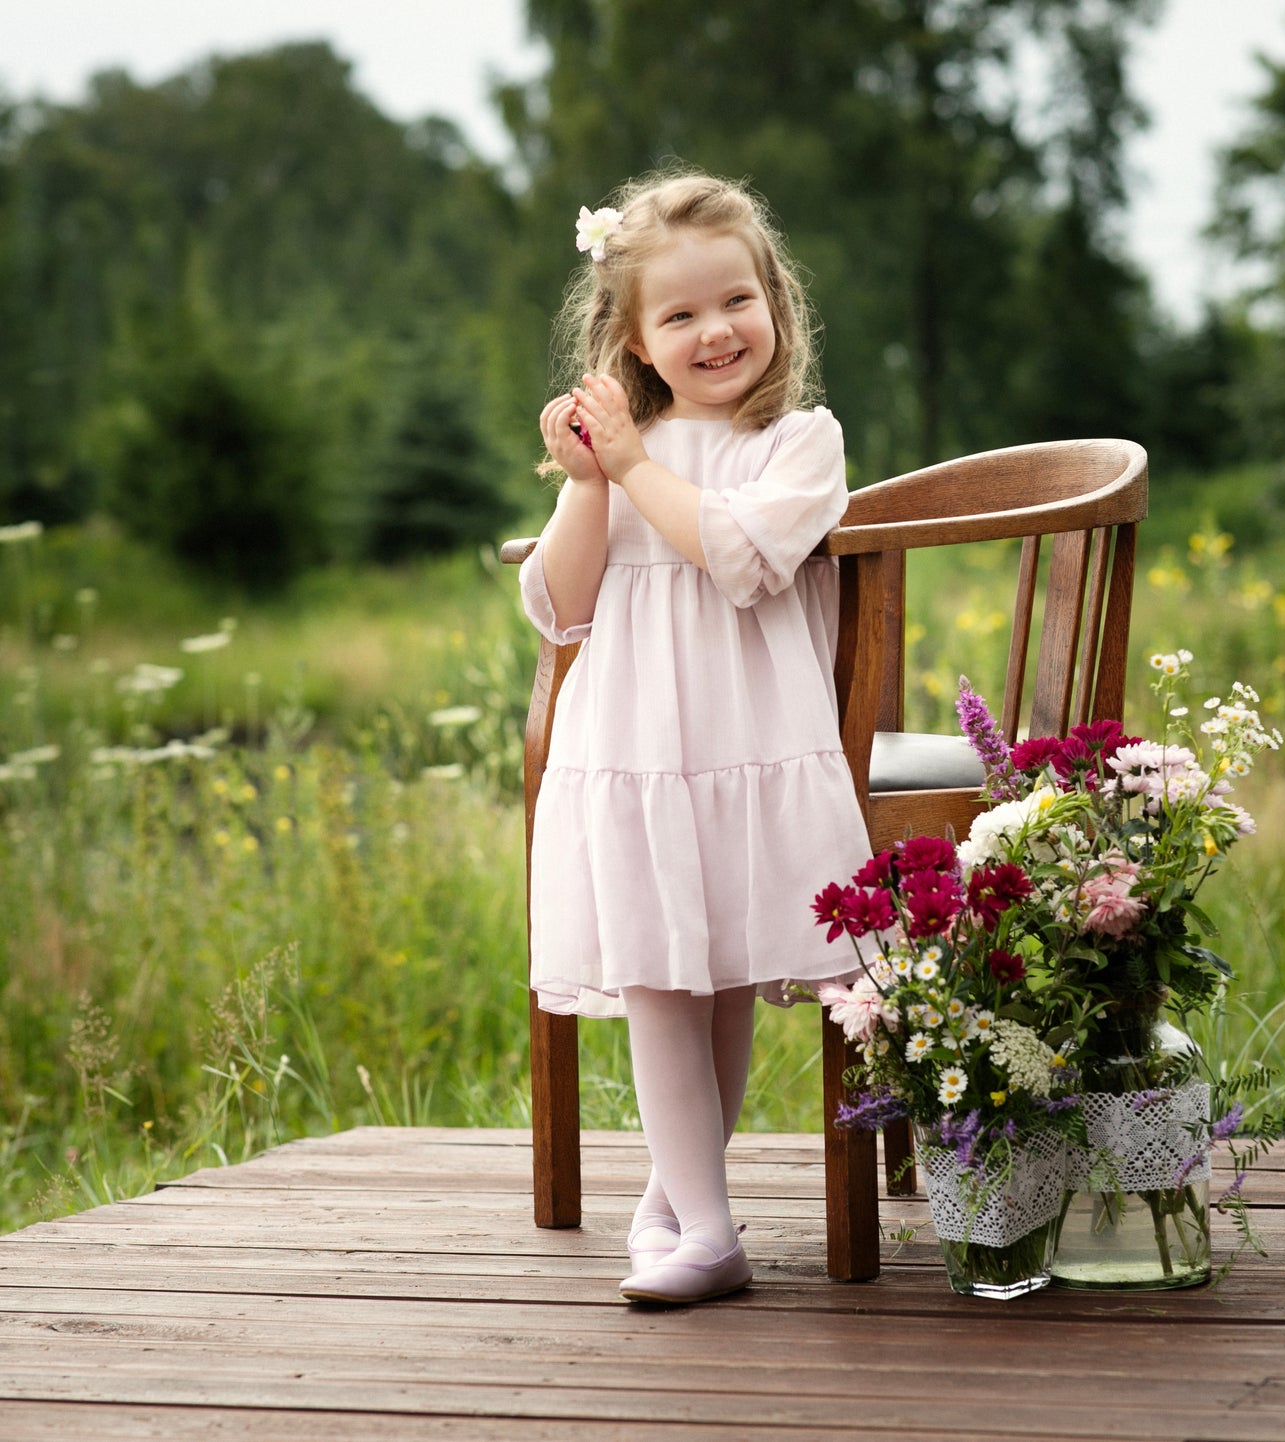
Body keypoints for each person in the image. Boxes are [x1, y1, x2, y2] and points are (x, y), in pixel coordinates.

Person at [519, 170, 870, 1305]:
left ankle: (688, 1206)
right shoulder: (625, 451)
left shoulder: (797, 442)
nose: (714, 330)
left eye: (736, 300)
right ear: (632, 336)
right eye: (678, 314)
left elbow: (735, 557)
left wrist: (629, 467)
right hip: (634, 749)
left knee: (714, 978)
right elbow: (559, 606)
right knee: (664, 977)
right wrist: (587, 483)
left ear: (776, 301)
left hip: (745, 747)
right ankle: (696, 1209)